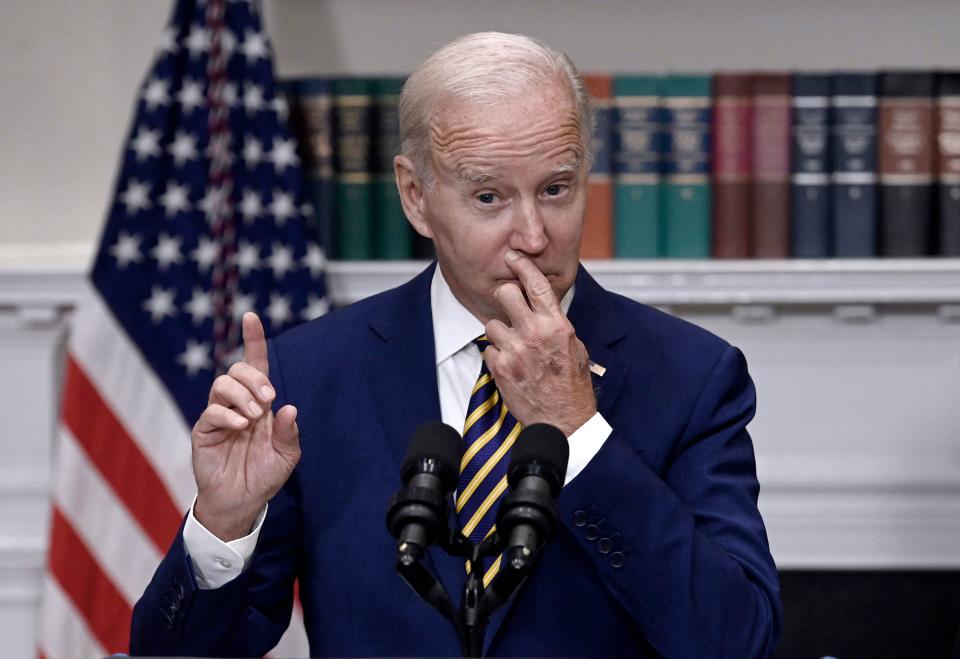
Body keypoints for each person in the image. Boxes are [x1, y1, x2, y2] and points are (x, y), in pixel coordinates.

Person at [131, 32, 781, 658]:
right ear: (417, 196)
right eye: (489, 196)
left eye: (556, 189)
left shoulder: (693, 377)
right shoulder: (310, 376)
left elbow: (736, 639)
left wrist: (579, 432)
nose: (532, 234)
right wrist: (223, 522)